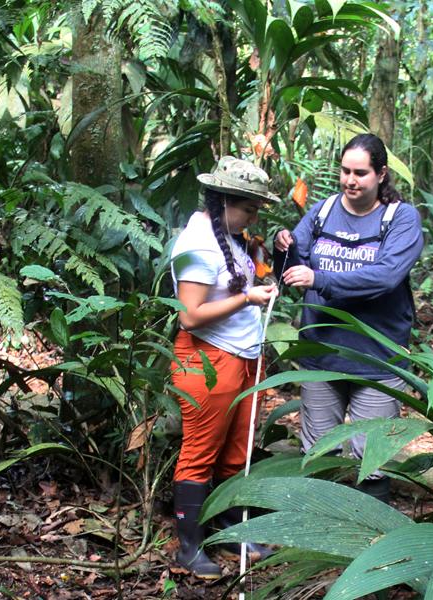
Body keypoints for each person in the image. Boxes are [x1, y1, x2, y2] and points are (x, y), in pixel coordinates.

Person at [274, 133, 424, 504]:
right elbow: (295, 270)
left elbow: (386, 276)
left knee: (370, 459)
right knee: (319, 452)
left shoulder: (400, 218)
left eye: (360, 173)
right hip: (321, 354)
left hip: (376, 358)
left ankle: (368, 542)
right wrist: (284, 251)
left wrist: (320, 279)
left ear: (381, 174)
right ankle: (316, 540)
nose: (350, 180)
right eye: (345, 171)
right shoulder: (323, 211)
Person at [169, 156, 278, 579]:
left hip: (243, 357)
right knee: (200, 453)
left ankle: (233, 531)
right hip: (207, 358)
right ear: (222, 201)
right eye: (249, 207)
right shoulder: (198, 243)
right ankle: (190, 547)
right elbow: (190, 315)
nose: (253, 216)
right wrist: (248, 299)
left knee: (237, 453)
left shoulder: (229, 237)